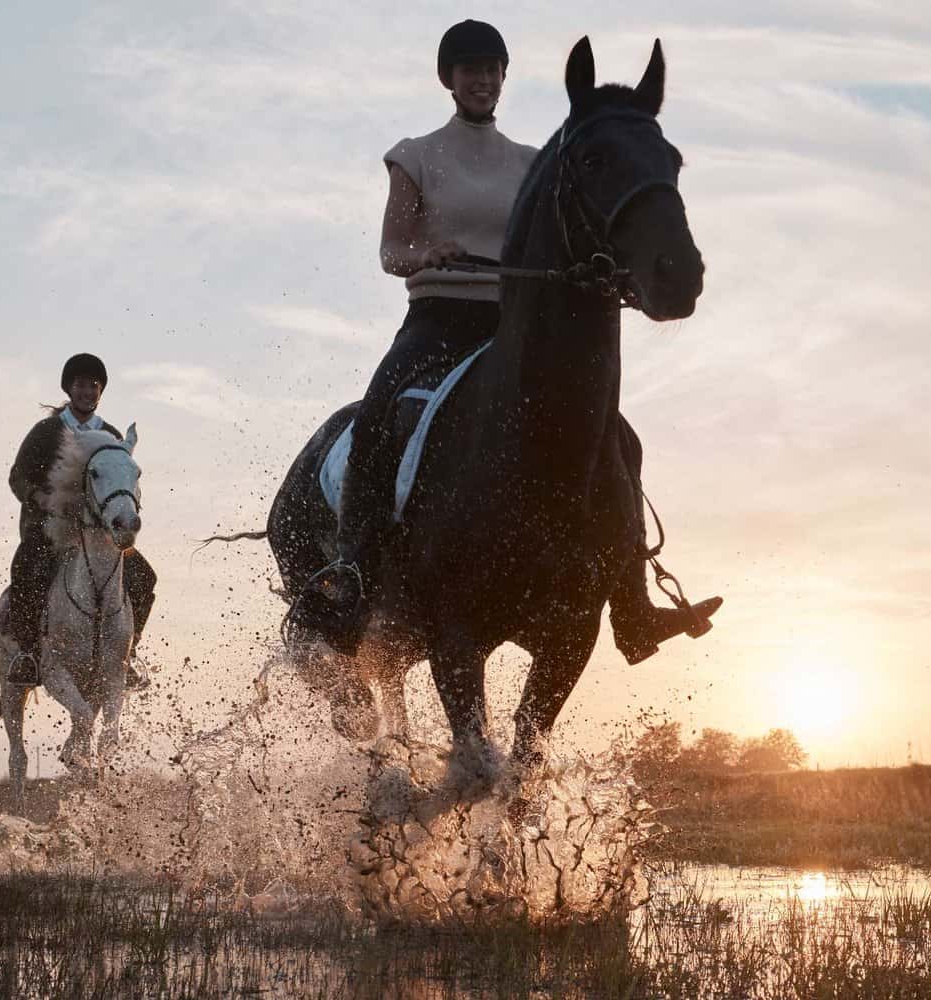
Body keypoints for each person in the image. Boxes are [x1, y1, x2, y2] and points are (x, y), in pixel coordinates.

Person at [292, 20, 720, 663]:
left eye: (491, 69)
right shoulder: (416, 153)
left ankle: (633, 606)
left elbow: (569, 230)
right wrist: (424, 252)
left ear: (502, 78)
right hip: (436, 321)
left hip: (512, 324)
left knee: (618, 436)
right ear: (449, 80)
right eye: (469, 69)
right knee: (379, 412)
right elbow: (390, 249)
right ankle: (352, 571)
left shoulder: (531, 161)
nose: (482, 79)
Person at [6, 353, 157, 687]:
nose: (87, 391)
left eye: (93, 385)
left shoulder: (111, 434)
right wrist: (40, 499)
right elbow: (17, 477)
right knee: (26, 567)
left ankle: (128, 653)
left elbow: (123, 480)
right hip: (52, 528)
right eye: (80, 385)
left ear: (100, 391)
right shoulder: (46, 431)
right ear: (69, 389)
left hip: (99, 535)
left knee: (145, 578)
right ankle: (28, 654)